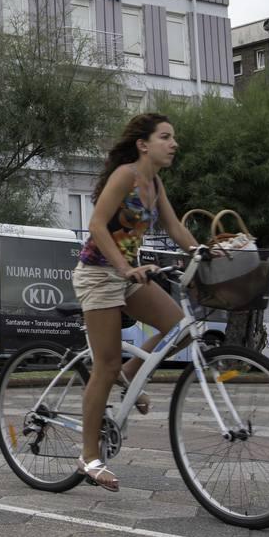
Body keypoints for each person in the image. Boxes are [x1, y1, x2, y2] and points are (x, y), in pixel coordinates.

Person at [72, 113, 202, 492]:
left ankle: (128, 375)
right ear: (143, 144)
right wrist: (125, 266)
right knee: (105, 363)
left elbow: (175, 228)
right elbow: (97, 224)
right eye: (166, 136)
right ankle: (88, 455)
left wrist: (203, 252)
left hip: (129, 274)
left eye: (173, 137)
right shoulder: (126, 175)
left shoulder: (155, 184)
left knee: (181, 330)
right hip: (99, 274)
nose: (173, 143)